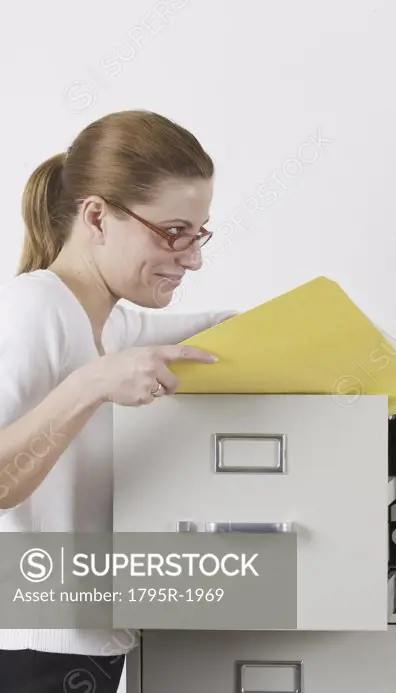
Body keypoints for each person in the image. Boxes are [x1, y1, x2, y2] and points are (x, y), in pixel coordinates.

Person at [0, 110, 235, 691]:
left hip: (89, 641)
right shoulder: (34, 309)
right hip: (28, 649)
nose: (192, 257)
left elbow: (228, 329)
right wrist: (92, 384)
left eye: (198, 233)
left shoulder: (117, 325)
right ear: (98, 217)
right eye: (172, 231)